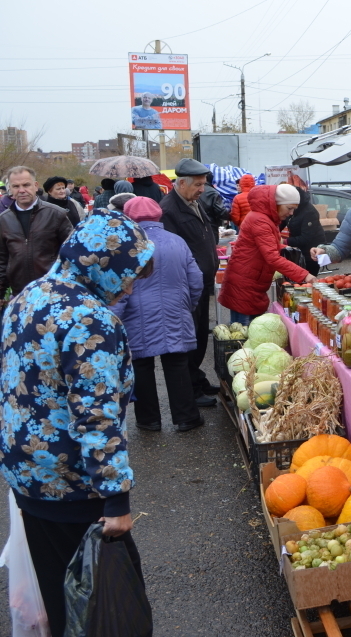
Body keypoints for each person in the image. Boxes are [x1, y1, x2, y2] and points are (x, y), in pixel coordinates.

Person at [0, 207, 155, 637]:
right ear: (101, 263)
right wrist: (115, 500)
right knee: (105, 608)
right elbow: (96, 416)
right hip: (74, 485)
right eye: (127, 274)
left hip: (28, 475)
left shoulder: (29, 295)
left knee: (60, 598)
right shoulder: (90, 319)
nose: (128, 286)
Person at [113, 196, 205, 432]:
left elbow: (118, 288)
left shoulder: (126, 244)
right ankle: (187, 417)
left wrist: (114, 318)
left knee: (141, 365)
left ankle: (148, 419)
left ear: (128, 217)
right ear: (158, 215)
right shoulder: (177, 241)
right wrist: (187, 305)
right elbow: (196, 279)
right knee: (177, 363)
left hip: (136, 316)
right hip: (175, 311)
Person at [160, 158, 220, 406]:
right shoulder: (169, 210)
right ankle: (192, 391)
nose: (202, 189)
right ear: (181, 183)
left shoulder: (193, 202)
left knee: (200, 335)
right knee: (190, 339)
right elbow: (174, 252)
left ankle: (197, 379)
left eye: (203, 184)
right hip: (186, 286)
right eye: (197, 184)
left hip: (201, 282)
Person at [220, 184, 316, 324]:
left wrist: (286, 248)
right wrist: (305, 275)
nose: (291, 213)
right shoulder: (260, 220)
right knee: (243, 331)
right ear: (276, 203)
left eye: (293, 209)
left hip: (250, 282)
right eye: (289, 208)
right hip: (245, 284)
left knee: (250, 329)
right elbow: (272, 258)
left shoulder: (266, 218)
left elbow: (266, 245)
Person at [0, 167, 74, 301]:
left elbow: (71, 253)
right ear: (10, 189)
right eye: (16, 186)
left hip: (53, 292)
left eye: (26, 185)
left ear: (35, 186)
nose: (21, 190)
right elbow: (2, 260)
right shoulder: (4, 219)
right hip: (20, 294)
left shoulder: (56, 214)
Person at [284, 187, 325, 276]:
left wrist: (285, 241)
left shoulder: (309, 212)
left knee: (307, 277)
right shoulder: (292, 209)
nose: (290, 212)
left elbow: (306, 238)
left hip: (310, 251)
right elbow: (283, 221)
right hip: (298, 249)